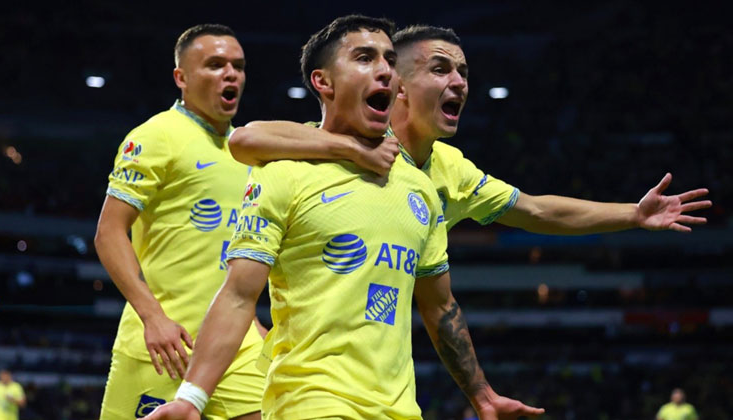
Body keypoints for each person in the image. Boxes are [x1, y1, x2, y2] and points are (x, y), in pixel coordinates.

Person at [141, 14, 543, 420]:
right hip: (310, 403)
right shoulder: (284, 172)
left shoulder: (420, 188)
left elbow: (440, 307)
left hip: (401, 410)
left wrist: (482, 396)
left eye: (390, 60)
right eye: (365, 58)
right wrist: (191, 398)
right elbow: (238, 295)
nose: (385, 70)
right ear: (323, 82)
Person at [228, 25, 711, 236]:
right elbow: (247, 138)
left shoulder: (450, 169)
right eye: (441, 69)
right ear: (397, 84)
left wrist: (632, 214)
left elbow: (537, 210)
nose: (459, 82)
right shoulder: (351, 139)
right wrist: (351, 151)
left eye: (463, 72)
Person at [94, 24, 265, 420]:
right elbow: (109, 232)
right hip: (167, 344)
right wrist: (153, 318)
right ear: (181, 77)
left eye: (238, 66)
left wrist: (253, 321)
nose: (231, 74)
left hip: (236, 344)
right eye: (215, 65)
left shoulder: (248, 151)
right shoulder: (157, 136)